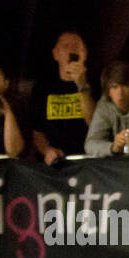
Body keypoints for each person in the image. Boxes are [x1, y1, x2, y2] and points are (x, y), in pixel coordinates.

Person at [29, 31, 95, 163]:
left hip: (88, 160)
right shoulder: (43, 86)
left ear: (85, 53)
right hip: (54, 161)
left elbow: (95, 124)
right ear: (55, 54)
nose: (71, 50)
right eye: (66, 46)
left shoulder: (95, 82)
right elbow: (37, 130)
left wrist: (82, 85)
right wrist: (47, 150)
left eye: (76, 46)